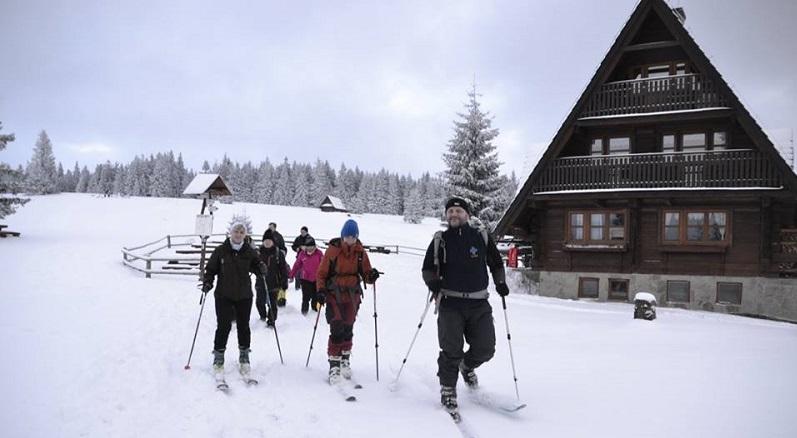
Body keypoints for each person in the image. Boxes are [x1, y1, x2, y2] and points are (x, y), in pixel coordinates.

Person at [420, 197, 509, 413]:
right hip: (450, 303)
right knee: (451, 350)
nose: (454, 214)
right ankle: (448, 389)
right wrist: (433, 283)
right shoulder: (441, 240)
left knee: (486, 348)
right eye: (450, 211)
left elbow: (496, 263)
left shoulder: (480, 236)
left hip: (479, 303)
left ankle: (466, 366)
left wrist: (500, 282)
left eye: (458, 211)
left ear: (467, 215)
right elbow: (427, 269)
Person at [316, 219, 380, 384]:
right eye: (347, 237)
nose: (350, 240)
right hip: (333, 294)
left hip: (352, 295)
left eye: (353, 237)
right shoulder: (333, 251)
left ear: (356, 237)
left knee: (348, 327)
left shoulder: (360, 252)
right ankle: (334, 365)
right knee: (336, 327)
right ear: (342, 236)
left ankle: (345, 359)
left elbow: (366, 273)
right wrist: (320, 290)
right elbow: (321, 273)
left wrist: (371, 276)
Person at [201, 222, 265, 377]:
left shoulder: (249, 251)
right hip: (224, 295)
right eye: (236, 231)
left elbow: (257, 266)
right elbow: (211, 269)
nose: (238, 234)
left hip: (244, 295)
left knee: (244, 326)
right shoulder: (221, 250)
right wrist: (208, 281)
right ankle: (218, 357)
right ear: (231, 233)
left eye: (242, 232)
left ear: (245, 235)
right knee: (223, 326)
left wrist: (262, 268)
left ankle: (244, 356)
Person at [255, 229, 289, 327]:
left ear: (273, 242)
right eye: (265, 240)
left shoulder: (278, 253)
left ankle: (271, 321)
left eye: (269, 240)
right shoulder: (258, 253)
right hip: (261, 282)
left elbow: (283, 268)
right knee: (259, 302)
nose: (267, 242)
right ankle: (263, 315)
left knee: (272, 304)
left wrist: (284, 281)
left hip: (274, 283)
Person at [288, 236, 324, 315]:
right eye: (308, 246)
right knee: (306, 297)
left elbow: (324, 266)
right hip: (305, 279)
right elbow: (297, 265)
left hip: (316, 279)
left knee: (315, 297)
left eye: (311, 246)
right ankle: (304, 312)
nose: (310, 248)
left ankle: (314, 311)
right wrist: (291, 275)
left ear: (314, 246)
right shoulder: (302, 254)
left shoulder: (319, 253)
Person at [263, 222, 288, 305]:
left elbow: (283, 247)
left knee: (281, 277)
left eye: (271, 226)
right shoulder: (266, 234)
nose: (270, 228)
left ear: (275, 227)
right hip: (268, 259)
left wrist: (282, 253)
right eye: (269, 226)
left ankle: (281, 300)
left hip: (277, 257)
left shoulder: (279, 236)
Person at [291, 226, 310, 290]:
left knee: (306, 272)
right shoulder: (298, 238)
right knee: (297, 271)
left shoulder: (310, 239)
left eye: (303, 232)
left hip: (308, 258)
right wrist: (296, 248)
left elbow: (313, 248)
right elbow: (293, 246)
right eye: (301, 232)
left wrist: (305, 248)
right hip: (299, 257)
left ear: (307, 232)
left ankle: (305, 284)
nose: (302, 233)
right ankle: (297, 286)